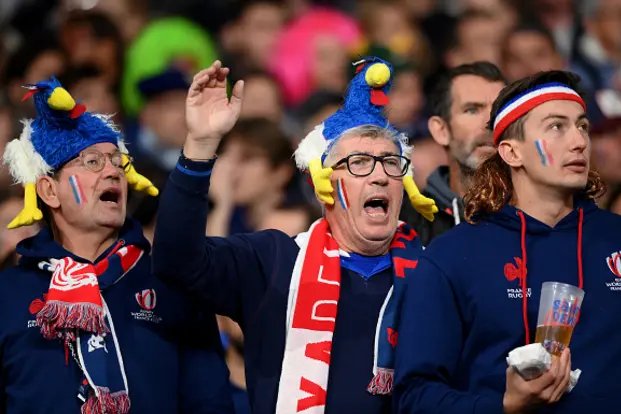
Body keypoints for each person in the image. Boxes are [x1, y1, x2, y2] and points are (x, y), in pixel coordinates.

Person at [152, 58, 438, 414]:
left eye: (391, 163)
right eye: (359, 163)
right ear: (323, 188)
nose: (379, 176)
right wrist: (200, 144)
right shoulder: (273, 261)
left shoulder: (435, 273)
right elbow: (175, 260)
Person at [394, 70, 621, 413]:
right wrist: (503, 406)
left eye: (582, 126)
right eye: (556, 127)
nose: (579, 141)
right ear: (511, 153)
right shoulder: (453, 255)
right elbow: (414, 396)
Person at [0, 77, 234, 414]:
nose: (111, 172)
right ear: (49, 191)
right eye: (92, 162)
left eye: (117, 162)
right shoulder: (9, 293)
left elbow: (210, 402)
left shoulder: (170, 282)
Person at [400, 61, 506, 245]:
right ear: (441, 131)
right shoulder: (406, 226)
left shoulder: (540, 215)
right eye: (472, 109)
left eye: (500, 109)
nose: (490, 122)